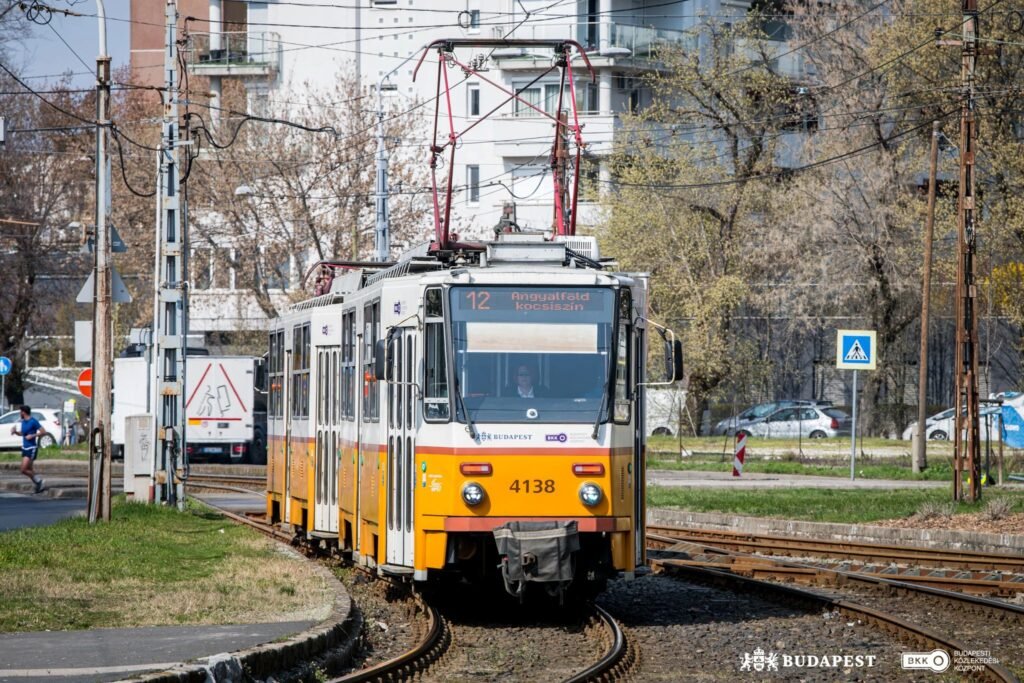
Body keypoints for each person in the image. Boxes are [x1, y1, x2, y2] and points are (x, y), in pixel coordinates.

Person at [12, 405, 45, 493]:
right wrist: (15, 432)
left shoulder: (33, 421)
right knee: (29, 469)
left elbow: (43, 431)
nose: (20, 413)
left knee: (23, 469)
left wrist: (33, 435)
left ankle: (39, 481)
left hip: (31, 447)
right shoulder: (23, 422)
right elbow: (22, 434)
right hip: (25, 447)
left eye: (20, 412)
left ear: (23, 412)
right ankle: (38, 484)